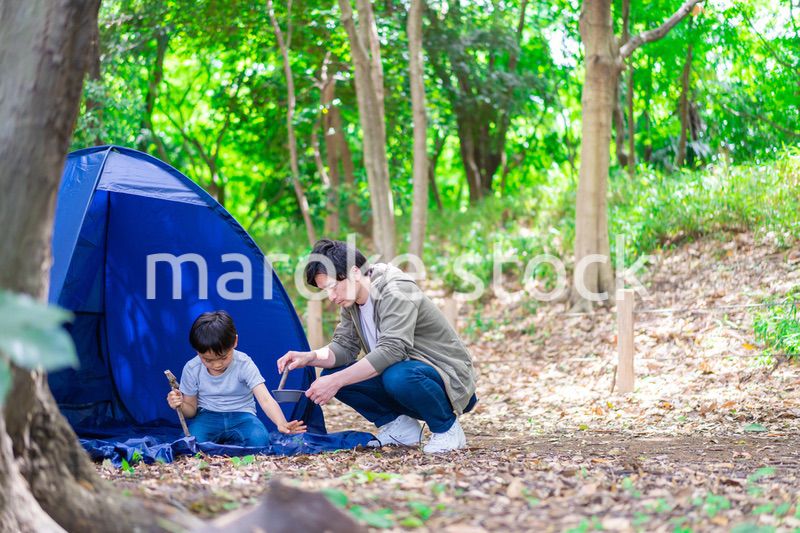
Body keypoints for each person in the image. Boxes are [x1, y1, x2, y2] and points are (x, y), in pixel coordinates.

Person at [277, 239, 477, 453]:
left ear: (354, 272)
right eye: (325, 290)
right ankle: (400, 426)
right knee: (332, 373)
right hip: (406, 380)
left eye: (333, 286)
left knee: (395, 375)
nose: (332, 297)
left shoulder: (396, 288)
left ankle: (447, 429)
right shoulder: (351, 301)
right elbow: (344, 347)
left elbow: (393, 350)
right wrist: (310, 357)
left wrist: (335, 382)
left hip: (447, 380)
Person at [167, 311, 306, 446]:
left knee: (260, 440)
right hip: (207, 417)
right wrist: (180, 404)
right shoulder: (192, 368)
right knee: (192, 442)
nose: (217, 364)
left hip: (242, 416)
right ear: (197, 351)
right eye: (208, 360)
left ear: (235, 342)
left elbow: (265, 399)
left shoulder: (244, 363)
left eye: (223, 357)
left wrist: (281, 423)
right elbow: (191, 411)